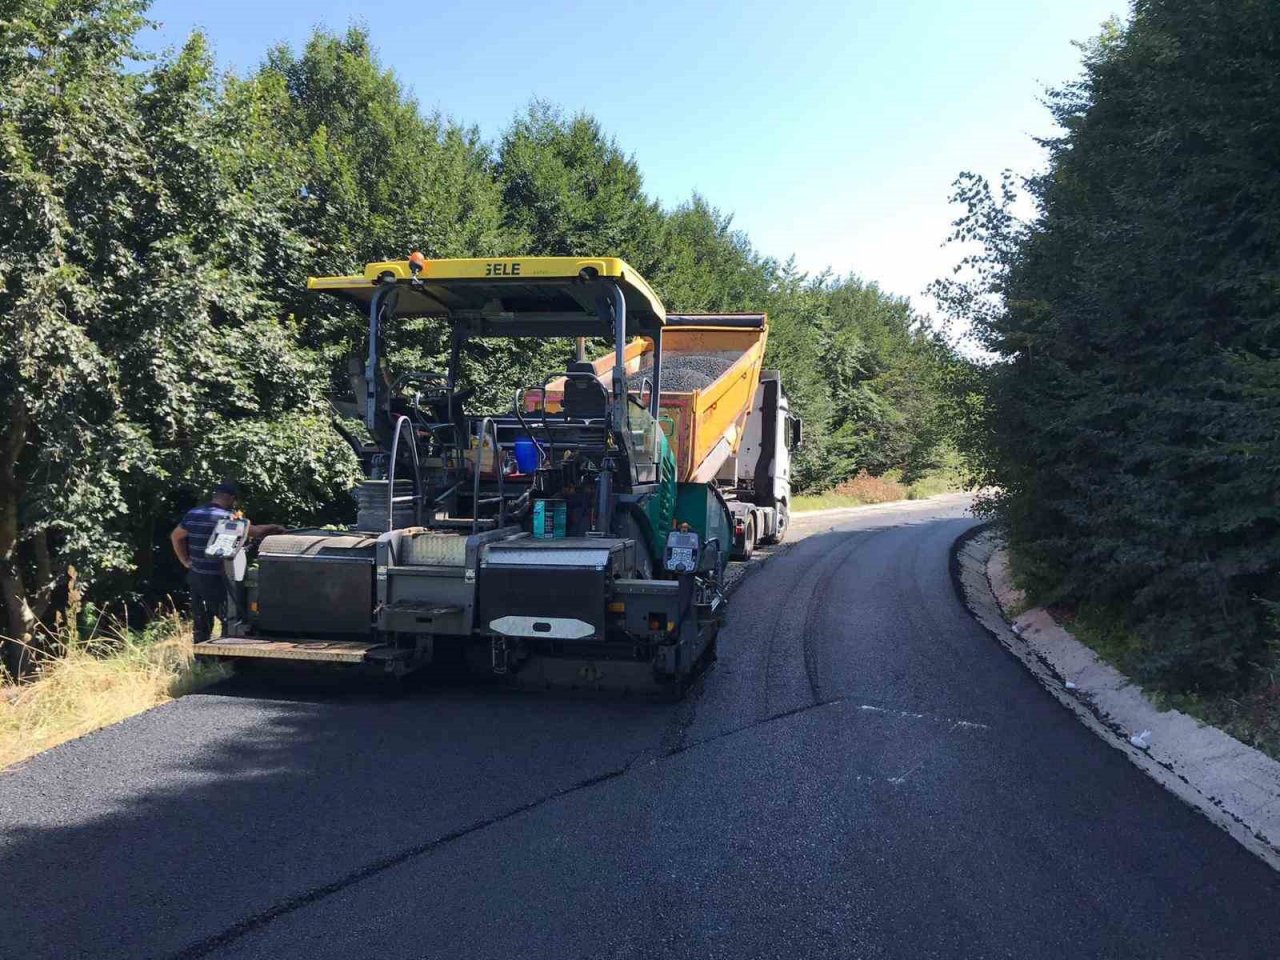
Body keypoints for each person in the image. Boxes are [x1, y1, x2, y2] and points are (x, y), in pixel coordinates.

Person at [170, 481, 283, 643]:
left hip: (197, 575)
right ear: (230, 498)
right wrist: (275, 527)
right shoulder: (228, 518)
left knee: (201, 620)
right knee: (228, 618)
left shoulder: (193, 513)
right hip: (220, 578)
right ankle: (224, 656)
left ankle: (201, 660)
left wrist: (185, 560)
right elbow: (255, 532)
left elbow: (176, 536)